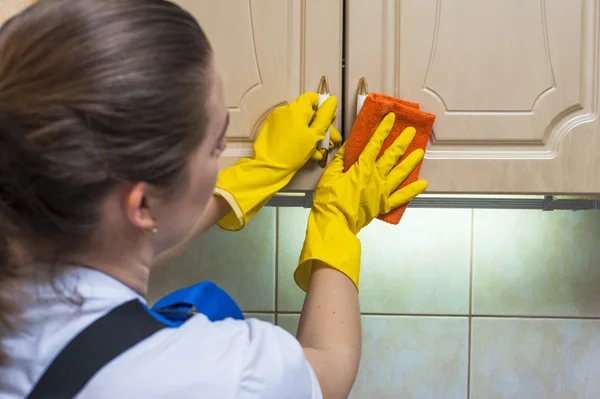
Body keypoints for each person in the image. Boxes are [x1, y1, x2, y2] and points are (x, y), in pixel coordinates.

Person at [0, 0, 427, 398]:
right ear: (142, 205)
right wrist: (336, 220)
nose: (224, 153)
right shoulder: (202, 372)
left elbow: (113, 247)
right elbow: (330, 370)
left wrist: (248, 181)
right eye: (216, 143)